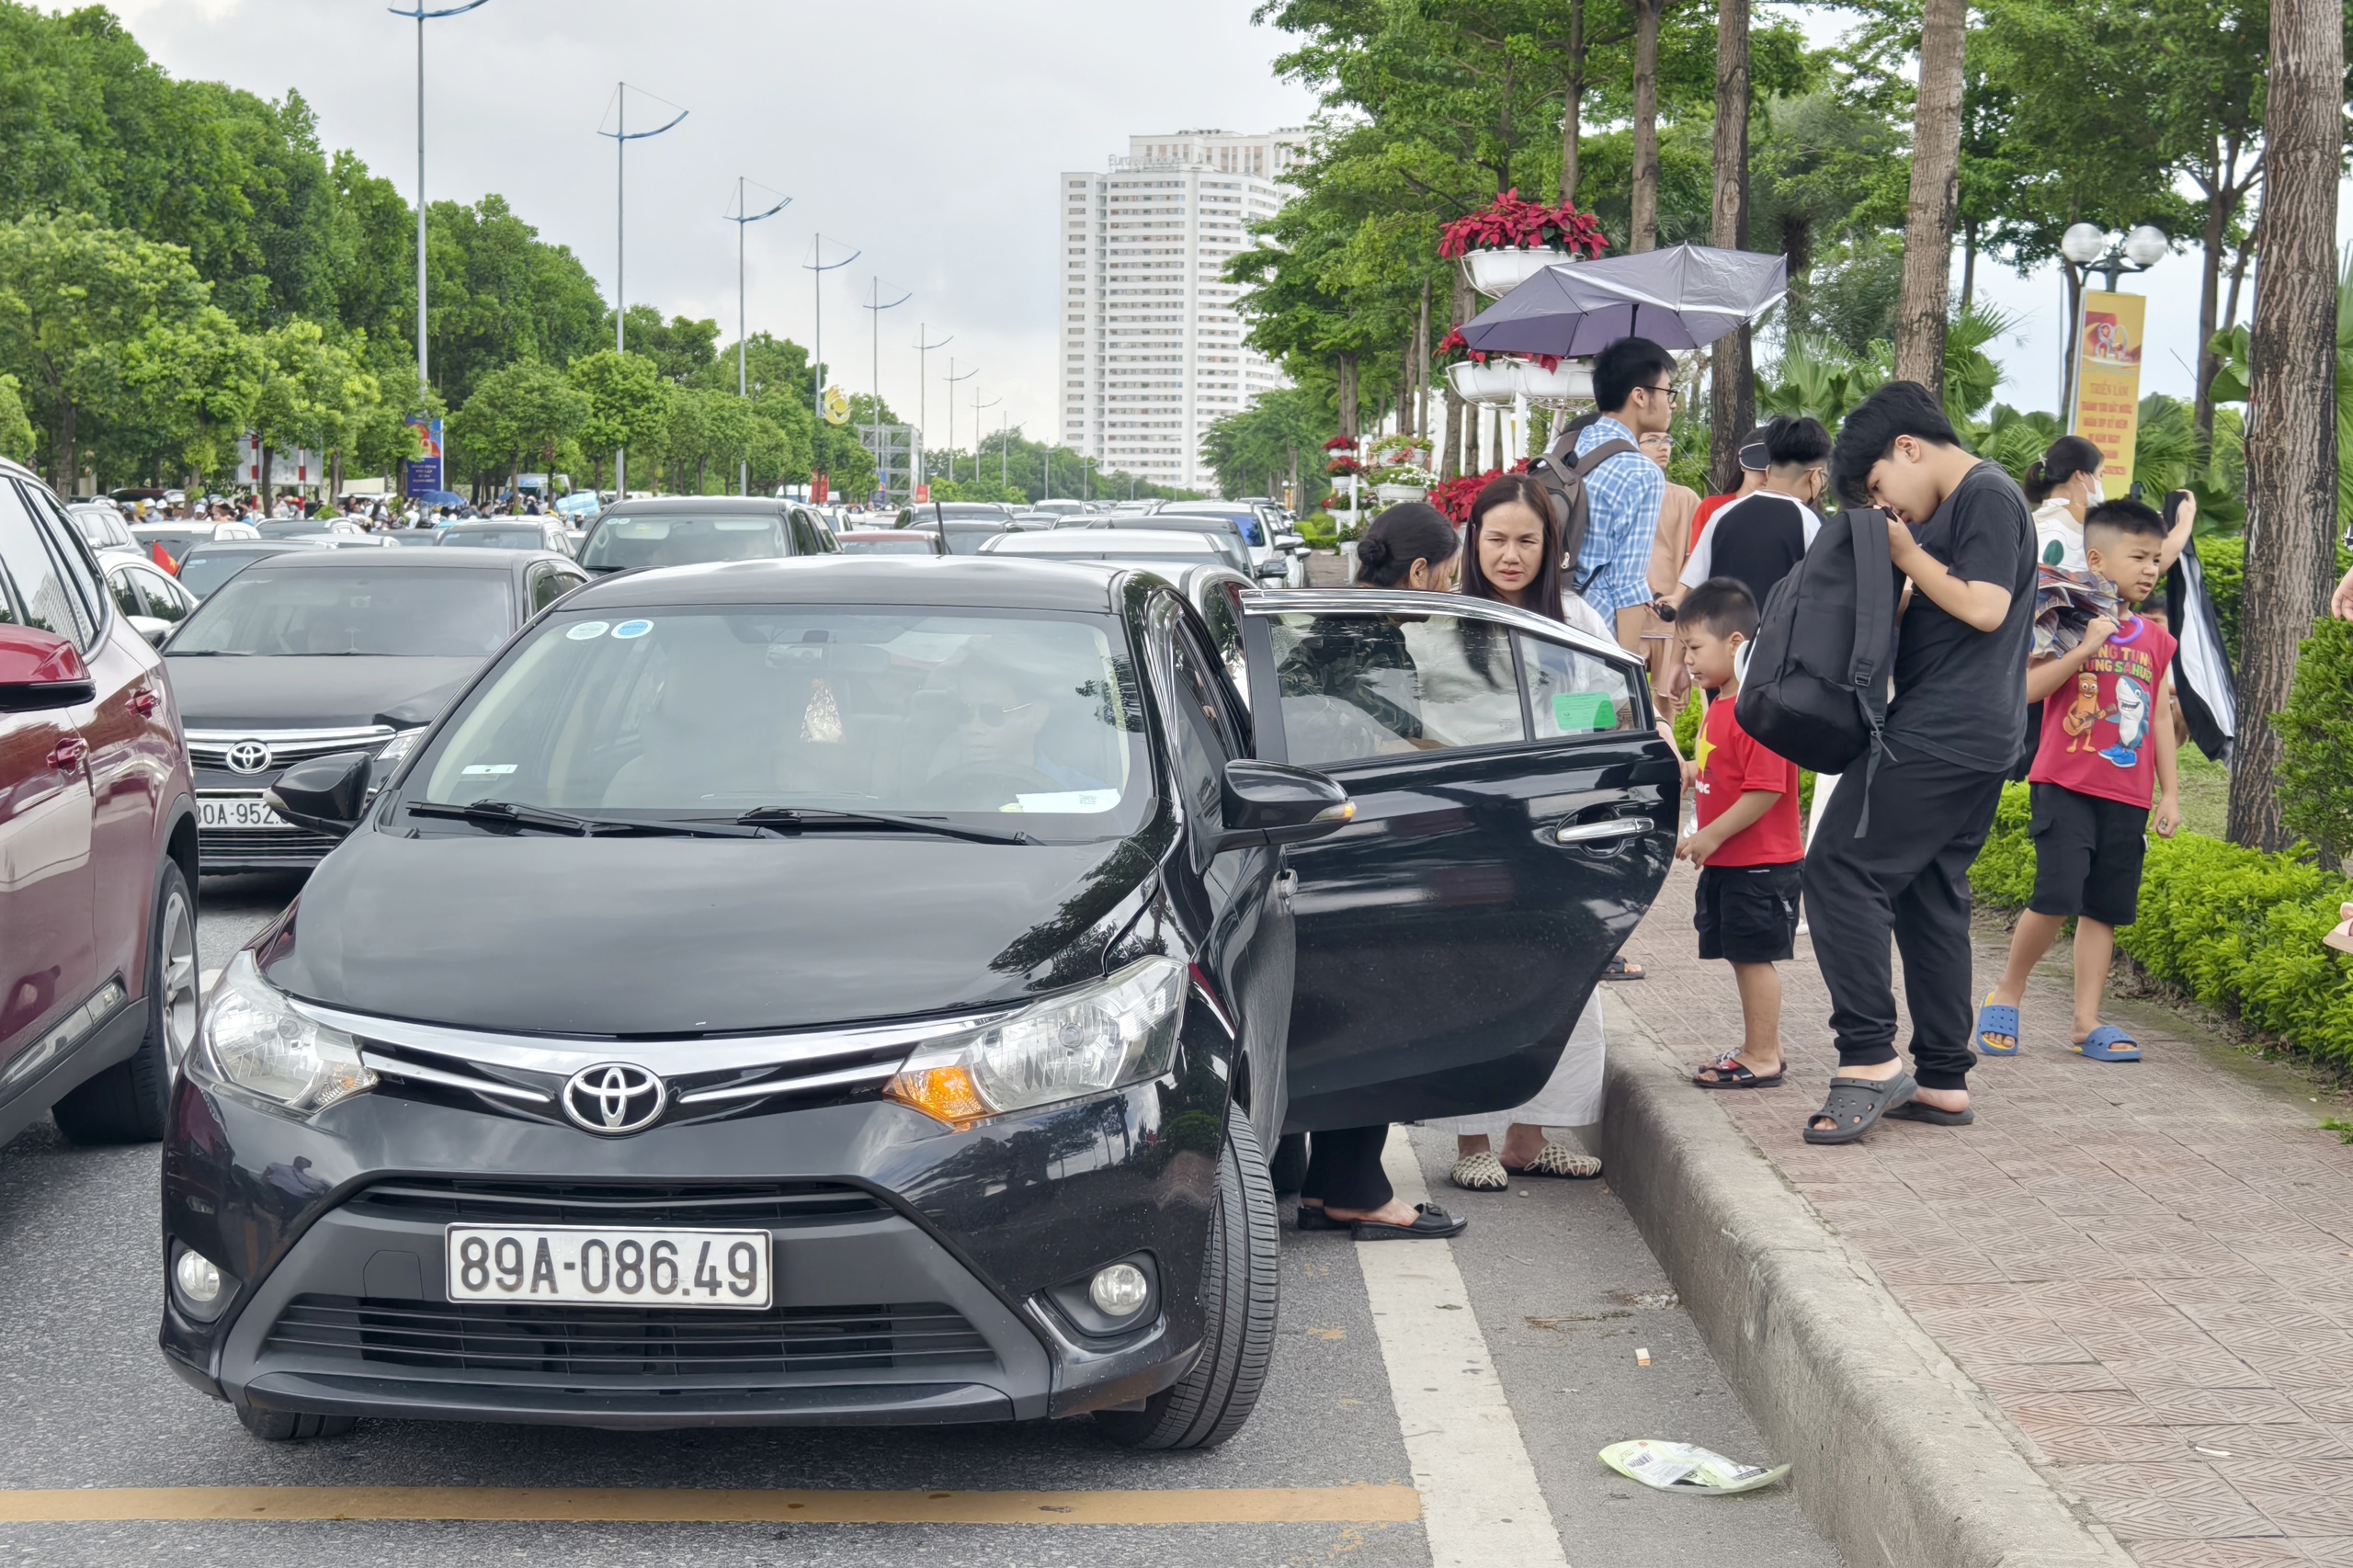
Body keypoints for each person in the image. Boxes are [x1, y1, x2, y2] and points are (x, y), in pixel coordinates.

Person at [1803, 381, 2037, 1144]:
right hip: (1971, 731)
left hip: (1946, 730)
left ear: (1908, 448)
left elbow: (1987, 607)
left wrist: (1905, 553)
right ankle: (1940, 1076)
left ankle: (1868, 1057)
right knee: (1930, 894)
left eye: (1880, 488)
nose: (1890, 507)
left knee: (1840, 867)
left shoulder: (1988, 494)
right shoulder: (1959, 508)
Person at [1293, 502, 1472, 1241]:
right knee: (1377, 1008)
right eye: (1451, 578)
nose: (1451, 594)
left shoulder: (1326, 625)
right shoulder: (1379, 643)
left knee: (1326, 1010)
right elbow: (1393, 744)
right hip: (1356, 844)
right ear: (1421, 571)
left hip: (1301, 837)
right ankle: (1356, 1190)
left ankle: (1317, 1180)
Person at [1435, 475, 1614, 1186]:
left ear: (1552, 546)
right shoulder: (1444, 622)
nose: (1512, 555)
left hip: (1557, 830)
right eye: (1498, 539)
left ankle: (1527, 1138)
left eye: (1528, 541)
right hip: (1469, 827)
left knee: (1560, 976)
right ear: (1475, 541)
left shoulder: (1575, 618)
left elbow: (1610, 709)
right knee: (1470, 977)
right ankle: (1471, 1146)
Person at [1975, 499, 2180, 1062]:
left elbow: (2160, 716)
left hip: (2127, 796)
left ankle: (2085, 1022)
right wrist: (2087, 646)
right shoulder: (2062, 616)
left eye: (2156, 559)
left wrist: (2171, 792)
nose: (2149, 569)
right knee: (2057, 895)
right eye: (2137, 556)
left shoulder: (2157, 641)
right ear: (2097, 558)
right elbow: (2028, 691)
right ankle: (2007, 992)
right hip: (2064, 783)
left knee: (2104, 908)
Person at [1675, 578, 1805, 1090]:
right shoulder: (1722, 703)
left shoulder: (1758, 708)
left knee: (1754, 958)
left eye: (1694, 647)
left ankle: (1762, 1055)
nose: (1688, 660)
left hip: (1760, 862)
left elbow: (1766, 790)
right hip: (1735, 861)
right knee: (1741, 954)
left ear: (1735, 643)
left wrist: (1710, 837)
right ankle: (1761, 1044)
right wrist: (1692, 768)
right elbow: (1725, 769)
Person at [1575, 335, 1676, 650]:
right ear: (1640, 396)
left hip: (1546, 619)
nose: (1672, 403)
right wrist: (1628, 681)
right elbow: (1627, 583)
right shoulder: (1641, 472)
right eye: (1667, 391)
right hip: (1595, 633)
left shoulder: (1564, 445)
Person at [1677, 415, 1828, 611]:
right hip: (1780, 641)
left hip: (1724, 638)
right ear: (1815, 476)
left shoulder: (1721, 515)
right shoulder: (1814, 524)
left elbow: (1693, 591)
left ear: (1768, 470)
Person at [1637, 428, 1700, 710]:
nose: (1663, 446)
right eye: (1652, 439)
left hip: (1668, 617)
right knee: (1622, 705)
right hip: (1629, 616)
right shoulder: (1617, 495)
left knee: (1667, 703)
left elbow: (1696, 555)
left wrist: (1677, 596)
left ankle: (1668, 754)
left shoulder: (1685, 498)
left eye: (1667, 440)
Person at [1686, 426, 1770, 556]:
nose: (1768, 477)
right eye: (1760, 469)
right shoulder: (1712, 507)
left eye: (1777, 472)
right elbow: (1697, 560)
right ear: (1743, 466)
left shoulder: (1790, 513)